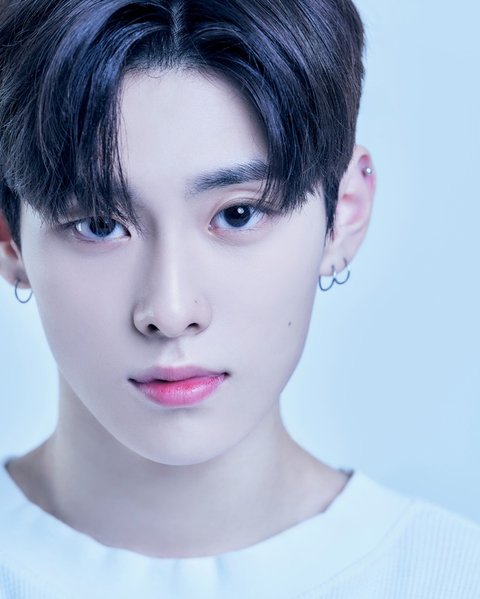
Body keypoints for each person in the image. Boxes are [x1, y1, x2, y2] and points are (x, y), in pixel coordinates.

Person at [0, 0, 479, 597]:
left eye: (238, 214)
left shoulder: (449, 576)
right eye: (99, 224)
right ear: (9, 237)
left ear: (344, 214)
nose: (171, 312)